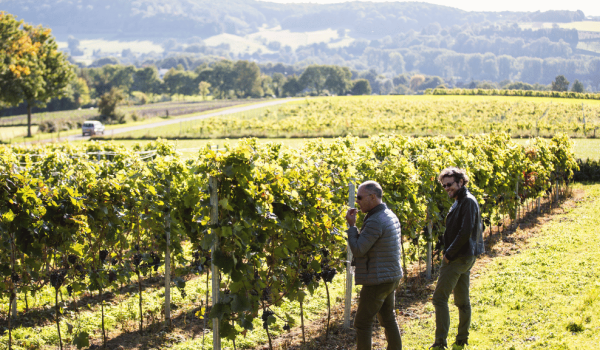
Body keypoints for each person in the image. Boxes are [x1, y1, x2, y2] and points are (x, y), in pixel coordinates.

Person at [430, 167, 485, 350]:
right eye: (444, 185)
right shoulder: (461, 200)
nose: (447, 188)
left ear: (461, 182)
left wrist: (448, 255)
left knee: (439, 298)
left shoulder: (467, 201)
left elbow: (465, 231)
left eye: (450, 184)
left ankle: (440, 342)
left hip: (458, 257)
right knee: (462, 300)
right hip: (465, 255)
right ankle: (462, 338)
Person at [346, 180, 403, 350]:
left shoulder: (376, 220)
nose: (357, 201)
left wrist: (352, 227)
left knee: (362, 323)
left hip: (377, 279)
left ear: (372, 197)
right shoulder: (389, 214)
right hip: (390, 276)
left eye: (359, 197)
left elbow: (358, 249)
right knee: (387, 318)